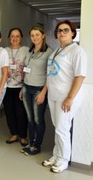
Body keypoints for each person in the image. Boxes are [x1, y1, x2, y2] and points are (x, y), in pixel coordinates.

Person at [43, 20, 87, 173]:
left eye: (65, 30)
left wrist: (70, 98)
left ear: (73, 33)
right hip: (54, 94)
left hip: (67, 96)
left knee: (62, 128)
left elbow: (80, 77)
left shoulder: (77, 51)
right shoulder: (57, 50)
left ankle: (64, 160)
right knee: (57, 127)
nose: (61, 33)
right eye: (59, 30)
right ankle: (57, 155)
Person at [20, 26, 53, 156]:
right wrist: (22, 88)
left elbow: (50, 75)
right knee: (30, 118)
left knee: (38, 119)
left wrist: (44, 92)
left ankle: (36, 145)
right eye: (32, 35)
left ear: (43, 35)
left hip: (39, 90)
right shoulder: (30, 51)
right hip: (26, 88)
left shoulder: (49, 52)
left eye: (37, 35)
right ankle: (30, 143)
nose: (34, 37)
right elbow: (26, 70)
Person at [3, 28, 29, 146]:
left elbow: (29, 68)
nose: (14, 38)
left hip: (20, 87)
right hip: (7, 86)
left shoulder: (26, 50)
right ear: (9, 37)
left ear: (21, 37)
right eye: (12, 36)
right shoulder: (4, 51)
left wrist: (25, 86)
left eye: (17, 36)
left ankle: (23, 136)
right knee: (9, 111)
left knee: (21, 112)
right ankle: (14, 133)